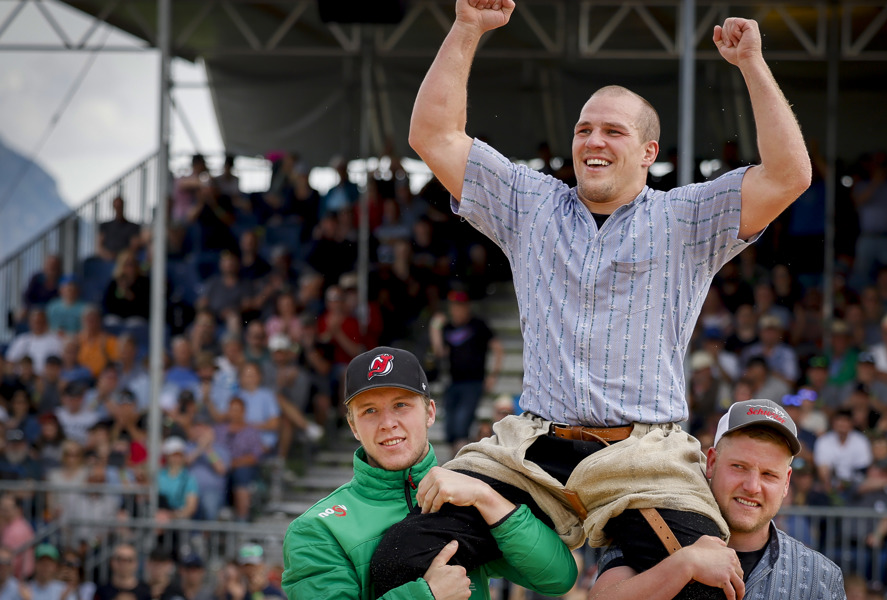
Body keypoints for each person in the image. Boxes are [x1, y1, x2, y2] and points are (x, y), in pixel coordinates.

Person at [398, 2, 811, 597]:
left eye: (613, 131)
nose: (593, 140)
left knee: (710, 582)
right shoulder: (530, 202)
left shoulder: (685, 217)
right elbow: (432, 135)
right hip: (532, 449)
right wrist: (466, 28)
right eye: (584, 129)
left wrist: (751, 63)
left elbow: (789, 174)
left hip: (647, 458)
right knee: (404, 555)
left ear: (648, 152)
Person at [280, 346, 577, 600]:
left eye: (401, 405)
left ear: (430, 413)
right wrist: (427, 594)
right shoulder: (316, 530)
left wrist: (487, 498)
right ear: (353, 426)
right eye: (369, 411)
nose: (387, 423)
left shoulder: (471, 489)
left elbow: (557, 579)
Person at [589, 399, 845, 600]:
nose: (752, 487)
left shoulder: (819, 576)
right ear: (711, 462)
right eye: (739, 467)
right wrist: (684, 564)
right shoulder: (654, 529)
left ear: (787, 482)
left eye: (768, 474)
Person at [429, 290, 504, 454]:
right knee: (450, 428)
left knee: (462, 425)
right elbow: (440, 352)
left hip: (474, 383)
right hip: (453, 382)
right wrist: (435, 328)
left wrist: (493, 376)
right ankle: (455, 464)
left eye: (460, 306)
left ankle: (460, 464)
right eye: (454, 306)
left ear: (467, 307)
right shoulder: (448, 327)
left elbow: (498, 349)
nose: (456, 310)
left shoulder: (478, 325)